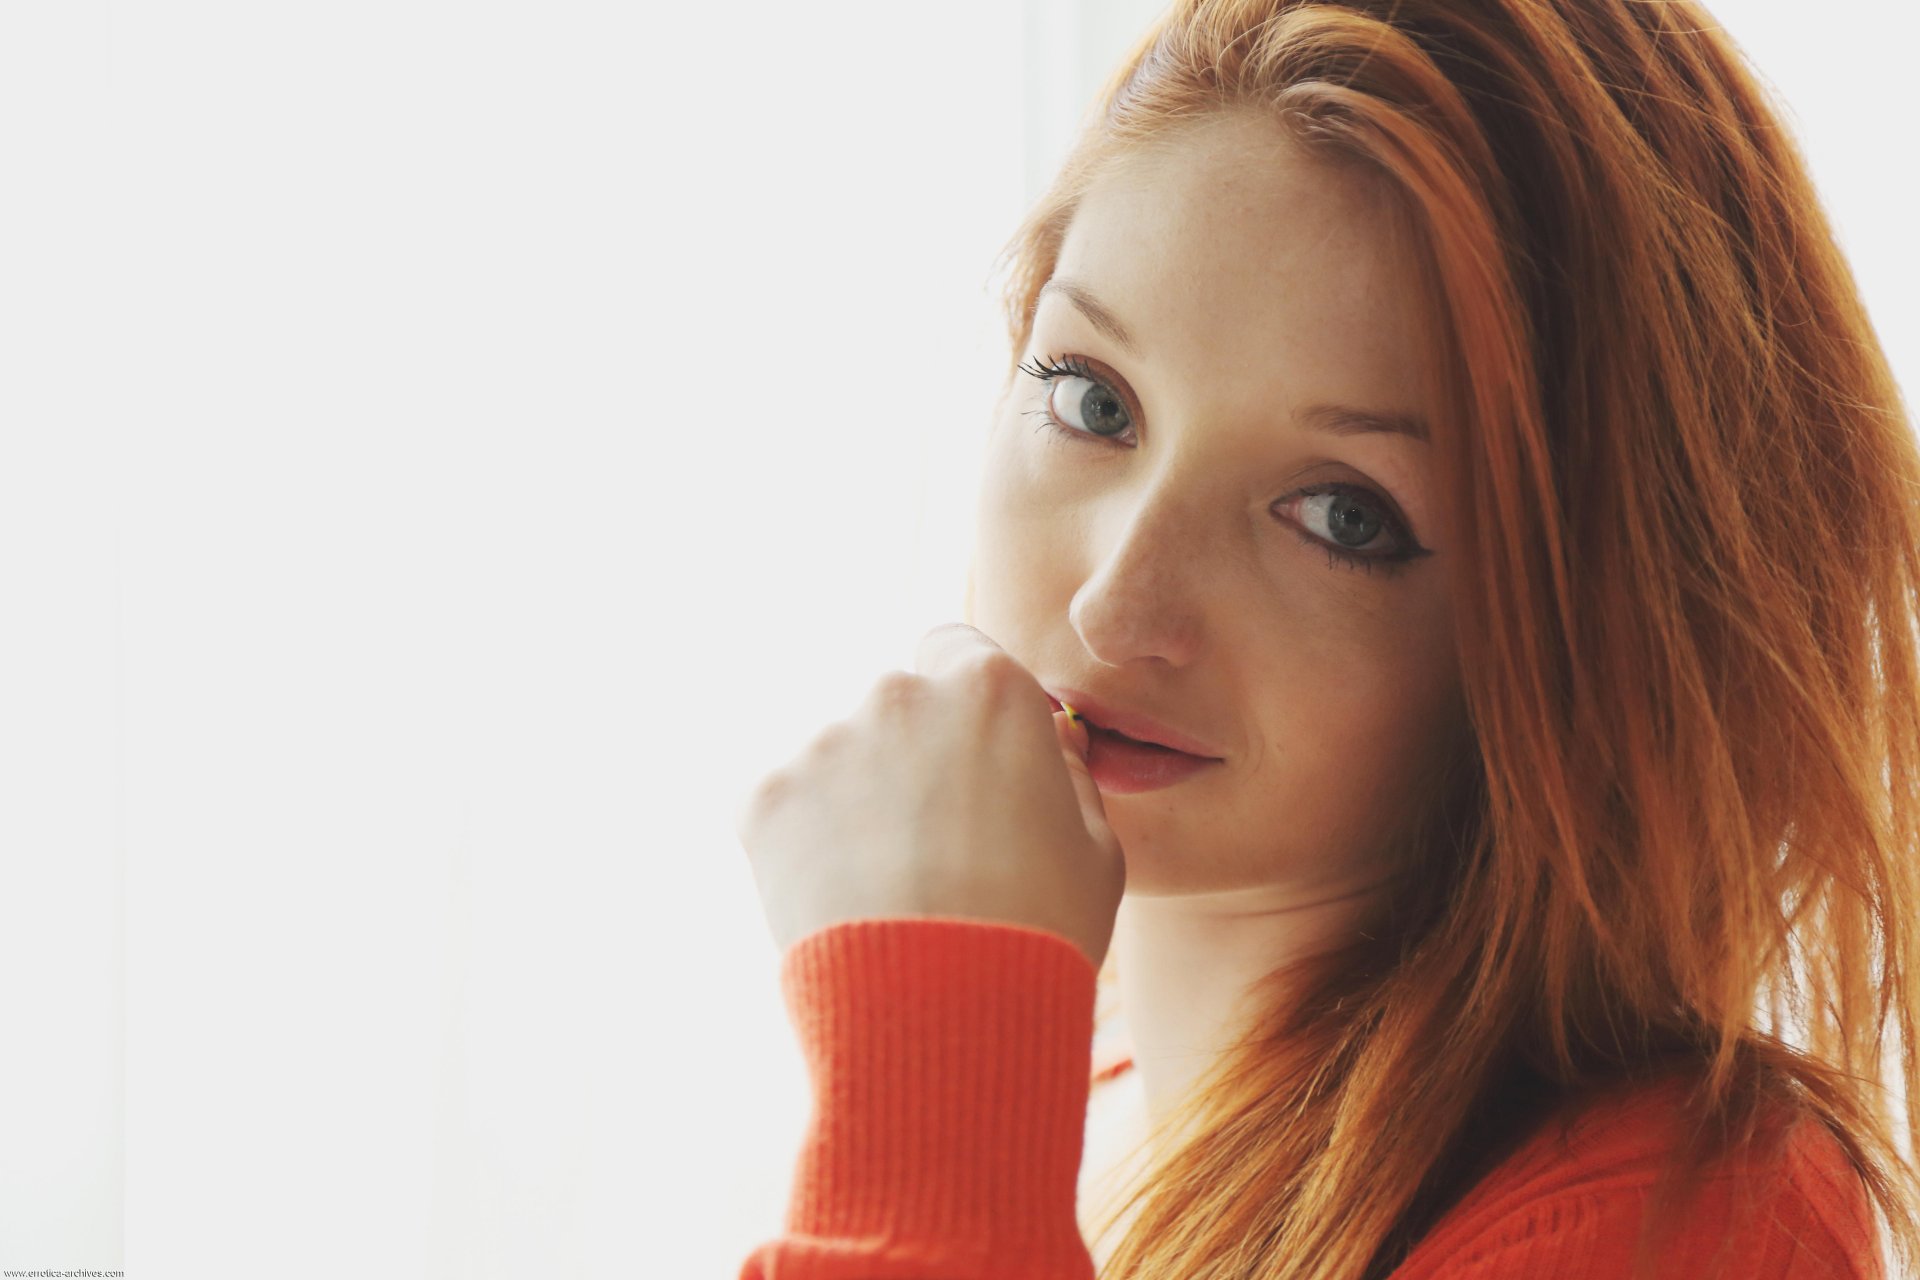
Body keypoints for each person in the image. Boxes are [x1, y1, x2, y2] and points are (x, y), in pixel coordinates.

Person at [732, 1, 1920, 1277]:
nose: (1114, 609)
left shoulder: (1685, 1222)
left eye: (1343, 515)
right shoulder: (1068, 1125)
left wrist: (933, 1042)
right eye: (1092, 400)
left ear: (1601, 631)